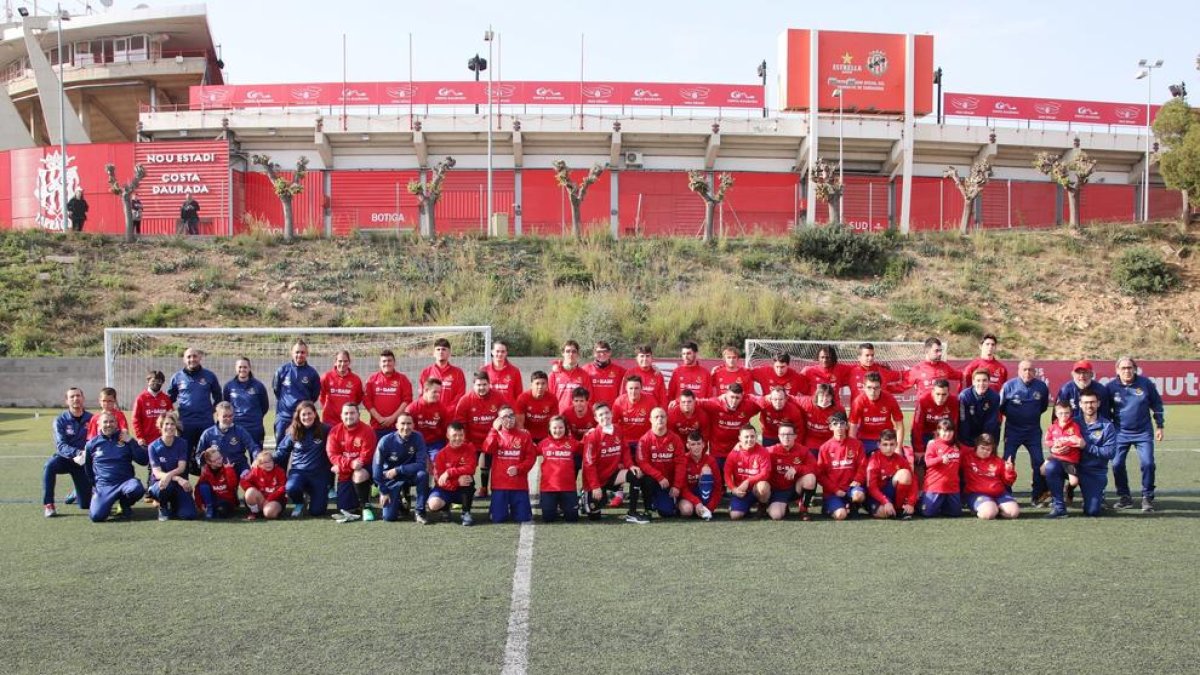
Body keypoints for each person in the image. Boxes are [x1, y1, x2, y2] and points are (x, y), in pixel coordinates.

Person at [1044, 390, 1116, 518]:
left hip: (1093, 471)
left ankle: (1086, 496)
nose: (1089, 405)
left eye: (1092, 402)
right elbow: (1056, 439)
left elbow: (1110, 453)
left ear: (1098, 403)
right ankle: (1059, 507)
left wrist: (1086, 446)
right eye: (1086, 402)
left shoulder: (1107, 426)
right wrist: (1054, 450)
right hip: (1072, 466)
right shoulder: (1072, 422)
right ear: (1080, 404)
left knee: (1092, 511)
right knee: (1051, 466)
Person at [1106, 357, 1165, 512]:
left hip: (1143, 432)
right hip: (1120, 433)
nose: (1127, 371)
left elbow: (1157, 404)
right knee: (1117, 464)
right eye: (1123, 368)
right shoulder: (1110, 387)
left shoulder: (1146, 384)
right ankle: (1125, 497)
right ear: (1117, 370)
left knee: (1148, 464)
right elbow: (1105, 410)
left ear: (1135, 369)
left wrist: (1160, 425)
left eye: (1130, 367)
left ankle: (1147, 498)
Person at [581, 402, 644, 523]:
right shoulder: (592, 436)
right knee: (594, 516)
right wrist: (595, 487)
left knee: (636, 475)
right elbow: (589, 465)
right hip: (596, 481)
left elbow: (625, 450)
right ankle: (585, 496)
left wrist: (631, 465)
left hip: (612, 475)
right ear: (595, 418)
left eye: (607, 413)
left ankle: (632, 513)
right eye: (600, 415)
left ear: (611, 414)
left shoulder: (618, 430)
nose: (604, 416)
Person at [999, 360, 1051, 507]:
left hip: (1033, 431)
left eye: (1030, 370)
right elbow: (1001, 407)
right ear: (1018, 371)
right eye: (1024, 369)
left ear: (1035, 372)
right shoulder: (1008, 386)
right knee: (1008, 462)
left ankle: (1037, 496)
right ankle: (1006, 495)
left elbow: (1043, 407)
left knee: (1038, 462)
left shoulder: (1041, 387)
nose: (1027, 373)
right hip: (1013, 430)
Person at [83, 411, 148, 522]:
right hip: (105, 485)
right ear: (99, 424)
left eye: (111, 421)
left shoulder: (125, 439)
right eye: (105, 422)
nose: (109, 424)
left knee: (137, 489)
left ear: (116, 423)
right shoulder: (91, 444)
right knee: (96, 517)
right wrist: (96, 485)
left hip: (125, 482)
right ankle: (105, 502)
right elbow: (88, 468)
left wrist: (131, 441)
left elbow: (143, 460)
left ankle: (124, 503)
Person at [273, 400, 331, 518]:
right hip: (299, 472)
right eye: (303, 414)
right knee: (291, 488)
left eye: (309, 413)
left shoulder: (325, 430)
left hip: (319, 474)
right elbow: (281, 451)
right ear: (299, 416)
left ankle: (312, 492)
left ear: (315, 414)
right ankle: (299, 502)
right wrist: (264, 460)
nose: (307, 417)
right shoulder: (294, 431)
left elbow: (336, 445)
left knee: (317, 512)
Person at [42, 387, 93, 517]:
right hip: (65, 459)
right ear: (67, 401)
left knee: (85, 505)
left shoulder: (92, 419)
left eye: (78, 396)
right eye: (72, 397)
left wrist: (85, 455)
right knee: (49, 465)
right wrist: (76, 452)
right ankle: (49, 505)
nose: (75, 399)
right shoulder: (60, 420)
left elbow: (96, 440)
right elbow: (61, 445)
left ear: (83, 398)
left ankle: (76, 493)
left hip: (82, 462)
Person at [481, 405, 537, 524]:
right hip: (500, 486)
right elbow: (487, 449)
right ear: (499, 420)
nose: (509, 419)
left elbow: (531, 458)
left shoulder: (525, 435)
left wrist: (518, 469)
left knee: (524, 518)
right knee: (498, 519)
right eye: (505, 416)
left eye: (511, 416)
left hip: (519, 485)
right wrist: (493, 430)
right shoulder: (496, 434)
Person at [454, 370, 506, 497]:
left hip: (492, 438)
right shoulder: (465, 400)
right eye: (478, 385)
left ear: (489, 384)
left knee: (493, 463)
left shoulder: (498, 397)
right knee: (467, 466)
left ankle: (487, 488)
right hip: (472, 439)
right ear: (473, 385)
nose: (481, 387)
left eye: (484, 384)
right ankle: (462, 494)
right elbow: (460, 424)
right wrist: (465, 443)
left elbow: (504, 416)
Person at [372, 413, 430, 524]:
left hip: (410, 474)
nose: (406, 427)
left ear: (413, 425)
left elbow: (421, 464)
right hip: (391, 478)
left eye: (409, 423)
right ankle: (399, 499)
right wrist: (383, 491)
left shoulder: (418, 438)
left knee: (423, 475)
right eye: (402, 423)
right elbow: (376, 468)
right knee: (389, 517)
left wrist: (398, 470)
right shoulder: (385, 441)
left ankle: (419, 512)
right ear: (396, 425)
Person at [167, 347, 223, 460]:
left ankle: (207, 478)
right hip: (185, 424)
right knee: (184, 457)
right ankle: (183, 477)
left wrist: (211, 410)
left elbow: (218, 397)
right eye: (189, 357)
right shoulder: (176, 377)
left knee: (209, 456)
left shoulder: (209, 376)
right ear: (184, 359)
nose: (192, 359)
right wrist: (173, 417)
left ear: (200, 357)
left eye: (195, 356)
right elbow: (168, 400)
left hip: (206, 423)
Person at [327, 403, 378, 523]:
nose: (349, 416)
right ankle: (358, 501)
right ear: (341, 416)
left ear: (358, 415)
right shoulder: (334, 432)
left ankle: (366, 505)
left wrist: (342, 466)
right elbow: (332, 455)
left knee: (359, 474)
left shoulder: (367, 431)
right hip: (346, 472)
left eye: (352, 413)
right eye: (346, 413)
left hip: (364, 469)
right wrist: (349, 464)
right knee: (344, 508)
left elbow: (365, 458)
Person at [698, 383, 762, 472]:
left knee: (739, 481)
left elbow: (768, 401)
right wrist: (677, 401)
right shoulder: (714, 404)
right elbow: (694, 402)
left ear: (742, 397)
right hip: (718, 452)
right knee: (716, 480)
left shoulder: (748, 405)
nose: (734, 400)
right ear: (726, 394)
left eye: (737, 398)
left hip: (739, 451)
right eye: (732, 397)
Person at [635, 408, 686, 519]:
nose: (660, 419)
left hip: (669, 483)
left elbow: (681, 464)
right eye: (656, 417)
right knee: (645, 478)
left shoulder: (675, 439)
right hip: (655, 481)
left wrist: (676, 485)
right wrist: (659, 477)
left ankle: (663, 502)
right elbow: (642, 463)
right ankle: (649, 504)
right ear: (650, 420)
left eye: (662, 416)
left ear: (667, 419)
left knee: (666, 512)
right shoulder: (644, 440)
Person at [815, 412, 867, 521]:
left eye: (842, 423)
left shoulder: (857, 445)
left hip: (851, 488)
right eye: (835, 424)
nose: (839, 427)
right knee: (840, 515)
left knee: (859, 495)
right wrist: (835, 490)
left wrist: (857, 480)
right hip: (833, 492)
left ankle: (853, 505)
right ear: (831, 427)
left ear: (847, 426)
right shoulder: (824, 448)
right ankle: (830, 508)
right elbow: (820, 475)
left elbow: (863, 466)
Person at [146, 412, 197, 521]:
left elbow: (181, 468)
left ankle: (175, 504)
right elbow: (157, 473)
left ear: (176, 426)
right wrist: (177, 478)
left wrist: (173, 477)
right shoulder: (153, 447)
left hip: (179, 485)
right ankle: (162, 506)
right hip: (161, 483)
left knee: (188, 515)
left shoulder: (182, 443)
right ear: (161, 426)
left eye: (172, 424)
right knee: (164, 485)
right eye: (166, 424)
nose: (169, 427)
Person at [426, 422, 478, 525]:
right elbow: (439, 480)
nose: (458, 438)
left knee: (467, 477)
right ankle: (445, 509)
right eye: (454, 435)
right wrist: (456, 482)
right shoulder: (441, 454)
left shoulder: (470, 448)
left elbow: (471, 468)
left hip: (462, 489)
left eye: (461, 435)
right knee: (433, 505)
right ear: (448, 436)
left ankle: (465, 513)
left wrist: (449, 472)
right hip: (445, 489)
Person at [272, 340, 321, 447]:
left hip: (303, 419)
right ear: (292, 353)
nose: (300, 355)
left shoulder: (312, 373)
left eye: (302, 352)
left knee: (303, 449)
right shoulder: (282, 370)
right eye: (297, 352)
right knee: (281, 451)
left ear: (307, 353)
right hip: (284, 417)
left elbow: (314, 395)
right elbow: (277, 390)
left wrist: (302, 409)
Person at [766, 422, 817, 521]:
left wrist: (797, 468)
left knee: (810, 478)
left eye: (789, 434)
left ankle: (804, 508)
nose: (786, 437)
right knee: (776, 516)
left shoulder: (803, 451)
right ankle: (778, 506)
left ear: (795, 436)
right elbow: (755, 453)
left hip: (794, 489)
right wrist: (740, 446)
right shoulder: (770, 451)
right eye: (783, 434)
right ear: (778, 436)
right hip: (777, 491)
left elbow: (815, 468)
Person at [962, 433, 1019, 520]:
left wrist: (1009, 470)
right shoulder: (967, 458)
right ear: (976, 446)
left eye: (988, 450)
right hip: (977, 494)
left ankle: (995, 507)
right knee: (988, 514)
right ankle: (986, 508)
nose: (985, 451)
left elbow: (1009, 482)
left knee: (1013, 513)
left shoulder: (998, 461)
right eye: (982, 448)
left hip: (999, 494)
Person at [196, 401, 259, 478]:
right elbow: (199, 454)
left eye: (231, 416)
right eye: (225, 416)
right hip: (218, 468)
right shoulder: (208, 433)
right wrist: (204, 465)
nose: (228, 419)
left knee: (249, 482)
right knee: (204, 487)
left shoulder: (240, 431)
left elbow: (253, 447)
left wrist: (257, 458)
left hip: (239, 466)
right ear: (217, 416)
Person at [537, 417, 581, 523]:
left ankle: (579, 499)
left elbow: (586, 447)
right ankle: (554, 506)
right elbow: (528, 452)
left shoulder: (572, 443)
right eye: (554, 428)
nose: (558, 430)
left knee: (572, 519)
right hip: (548, 488)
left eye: (561, 427)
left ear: (565, 428)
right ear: (549, 429)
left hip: (568, 487)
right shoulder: (543, 444)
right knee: (548, 518)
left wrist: (591, 434)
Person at [723, 426, 773, 521]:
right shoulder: (734, 454)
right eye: (746, 437)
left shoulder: (763, 451)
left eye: (752, 436)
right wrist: (733, 489)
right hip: (741, 491)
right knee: (735, 516)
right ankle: (743, 507)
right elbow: (727, 473)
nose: (749, 439)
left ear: (756, 437)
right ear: (740, 438)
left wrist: (748, 481)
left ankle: (762, 507)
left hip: (756, 490)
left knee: (763, 486)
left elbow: (765, 473)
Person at [848, 372, 904, 455]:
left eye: (876, 388)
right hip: (865, 439)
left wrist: (898, 448)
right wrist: (853, 448)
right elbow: (852, 428)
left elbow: (899, 426)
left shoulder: (890, 399)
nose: (873, 392)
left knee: (901, 463)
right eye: (869, 387)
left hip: (886, 438)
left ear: (881, 387)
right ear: (863, 387)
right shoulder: (858, 401)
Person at [865, 429, 916, 520]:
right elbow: (872, 488)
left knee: (905, 474)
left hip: (892, 493)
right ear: (879, 445)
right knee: (882, 513)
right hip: (876, 496)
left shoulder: (900, 459)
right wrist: (885, 502)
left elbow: (913, 481)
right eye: (885, 444)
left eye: (892, 444)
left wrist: (911, 503)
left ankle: (899, 508)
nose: (889, 448)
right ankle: (886, 507)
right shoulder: (874, 461)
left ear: (896, 444)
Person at [363, 349, 413, 441]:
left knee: (396, 455)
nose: (387, 363)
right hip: (377, 427)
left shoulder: (403, 379)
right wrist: (379, 418)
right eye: (384, 361)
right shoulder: (371, 379)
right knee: (378, 454)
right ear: (380, 363)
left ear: (394, 362)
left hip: (397, 427)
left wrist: (393, 418)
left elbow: (407, 400)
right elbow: (367, 401)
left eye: (389, 360)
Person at [223, 357, 270, 448]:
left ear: (249, 368)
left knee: (257, 456)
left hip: (254, 427)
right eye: (240, 367)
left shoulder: (259, 386)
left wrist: (254, 417)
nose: (242, 369)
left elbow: (265, 406)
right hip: (236, 426)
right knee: (235, 455)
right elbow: (226, 406)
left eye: (245, 367)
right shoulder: (229, 386)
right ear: (236, 368)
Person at [1043, 399, 1083, 504]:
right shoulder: (1052, 427)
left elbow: (1077, 440)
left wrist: (1064, 443)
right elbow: (1047, 441)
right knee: (1041, 470)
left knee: (1074, 482)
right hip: (1055, 457)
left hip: (1069, 459)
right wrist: (1053, 446)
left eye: (1067, 413)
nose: (1064, 415)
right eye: (1061, 413)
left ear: (1071, 413)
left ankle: (1068, 490)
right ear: (1056, 414)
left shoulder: (1074, 426)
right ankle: (1049, 491)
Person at [910, 379, 959, 467]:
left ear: (948, 393)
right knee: (920, 461)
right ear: (933, 392)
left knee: (946, 460)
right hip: (925, 434)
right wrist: (918, 449)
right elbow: (917, 426)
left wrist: (953, 442)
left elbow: (953, 424)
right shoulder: (923, 400)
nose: (940, 398)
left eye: (944, 394)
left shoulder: (954, 401)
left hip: (944, 433)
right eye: (938, 394)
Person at [921, 420, 963, 518]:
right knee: (928, 513)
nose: (947, 434)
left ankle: (943, 504)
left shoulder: (958, 446)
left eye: (950, 431)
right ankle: (921, 500)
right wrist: (940, 459)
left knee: (955, 513)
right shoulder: (933, 444)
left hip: (952, 488)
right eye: (944, 431)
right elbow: (927, 462)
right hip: (935, 486)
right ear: (938, 431)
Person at [406, 378, 452, 463]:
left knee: (438, 460)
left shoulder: (442, 408)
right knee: (418, 468)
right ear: (426, 390)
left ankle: (437, 475)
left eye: (439, 392)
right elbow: (406, 431)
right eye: (435, 392)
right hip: (417, 443)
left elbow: (447, 429)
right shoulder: (412, 408)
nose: (438, 395)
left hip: (435, 444)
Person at [678, 431, 721, 520]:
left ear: (703, 445)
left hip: (705, 494)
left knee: (706, 470)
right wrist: (696, 502)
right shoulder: (683, 460)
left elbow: (718, 486)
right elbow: (682, 488)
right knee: (687, 511)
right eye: (693, 444)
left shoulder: (711, 460)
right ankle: (695, 508)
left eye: (698, 444)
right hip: (689, 495)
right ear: (687, 446)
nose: (696, 447)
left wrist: (710, 507)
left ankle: (704, 507)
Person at [319, 350, 364, 427]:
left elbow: (358, 399)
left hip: (348, 421)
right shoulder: (326, 377)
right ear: (335, 362)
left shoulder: (356, 379)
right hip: (329, 421)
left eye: (345, 361)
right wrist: (330, 410)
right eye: (340, 361)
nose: (342, 364)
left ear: (349, 362)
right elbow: (321, 396)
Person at [957, 369, 1001, 448]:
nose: (981, 384)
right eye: (978, 380)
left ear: (988, 382)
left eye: (984, 380)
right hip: (969, 431)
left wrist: (984, 440)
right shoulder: (964, 396)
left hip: (986, 433)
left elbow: (991, 421)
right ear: (973, 382)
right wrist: (967, 441)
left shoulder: (994, 397)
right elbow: (963, 420)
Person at [419, 338, 467, 408]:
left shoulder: (458, 372)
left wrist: (447, 411)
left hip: (451, 415)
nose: (441, 352)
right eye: (438, 349)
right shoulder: (426, 372)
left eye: (444, 349)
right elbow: (423, 395)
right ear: (434, 353)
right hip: (431, 414)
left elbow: (460, 395)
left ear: (449, 353)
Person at [193, 446, 239, 519]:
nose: (220, 461)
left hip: (226, 500)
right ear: (209, 462)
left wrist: (229, 470)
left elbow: (233, 485)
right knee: (203, 485)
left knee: (221, 511)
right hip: (213, 499)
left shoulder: (227, 468)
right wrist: (199, 504)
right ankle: (209, 508)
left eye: (220, 457)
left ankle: (213, 512)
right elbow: (198, 489)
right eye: (216, 459)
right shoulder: (206, 471)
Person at [796, 383, 843, 454]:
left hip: (829, 442)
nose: (824, 399)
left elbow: (843, 429)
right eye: (822, 395)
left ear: (832, 397)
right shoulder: (806, 403)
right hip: (811, 440)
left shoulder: (838, 409)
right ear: (817, 396)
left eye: (828, 396)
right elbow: (789, 398)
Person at [241, 450, 287, 521]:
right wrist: (254, 489)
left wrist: (269, 499)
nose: (268, 464)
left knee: (269, 513)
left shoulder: (280, 471)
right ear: (259, 465)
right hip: (261, 499)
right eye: (264, 462)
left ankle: (266, 512)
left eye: (270, 461)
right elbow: (243, 481)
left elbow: (282, 488)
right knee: (250, 492)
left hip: (275, 500)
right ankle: (254, 512)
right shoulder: (255, 471)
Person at [548, 341, 593, 412]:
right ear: (563, 353)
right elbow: (549, 398)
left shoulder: (584, 374)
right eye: (568, 351)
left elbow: (589, 398)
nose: (571, 354)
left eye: (574, 351)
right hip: (559, 416)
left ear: (578, 354)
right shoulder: (554, 374)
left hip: (577, 416)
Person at [132, 370, 172, 448]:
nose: (156, 383)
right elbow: (136, 419)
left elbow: (172, 418)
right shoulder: (141, 398)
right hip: (146, 441)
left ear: (163, 383)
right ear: (148, 381)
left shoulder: (166, 399)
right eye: (153, 380)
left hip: (163, 439)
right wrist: (140, 436)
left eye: (159, 381)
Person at [515, 371, 556, 443]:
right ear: (531, 385)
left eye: (543, 383)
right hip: (528, 435)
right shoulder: (523, 398)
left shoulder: (552, 398)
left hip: (546, 436)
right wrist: (526, 440)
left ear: (547, 385)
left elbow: (554, 422)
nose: (540, 387)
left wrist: (551, 439)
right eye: (537, 383)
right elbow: (520, 423)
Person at [581, 340, 624, 408]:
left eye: (605, 351)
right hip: (591, 411)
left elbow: (635, 375)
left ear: (610, 352)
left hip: (611, 412)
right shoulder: (585, 369)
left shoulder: (620, 371)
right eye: (599, 352)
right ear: (594, 353)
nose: (602, 354)